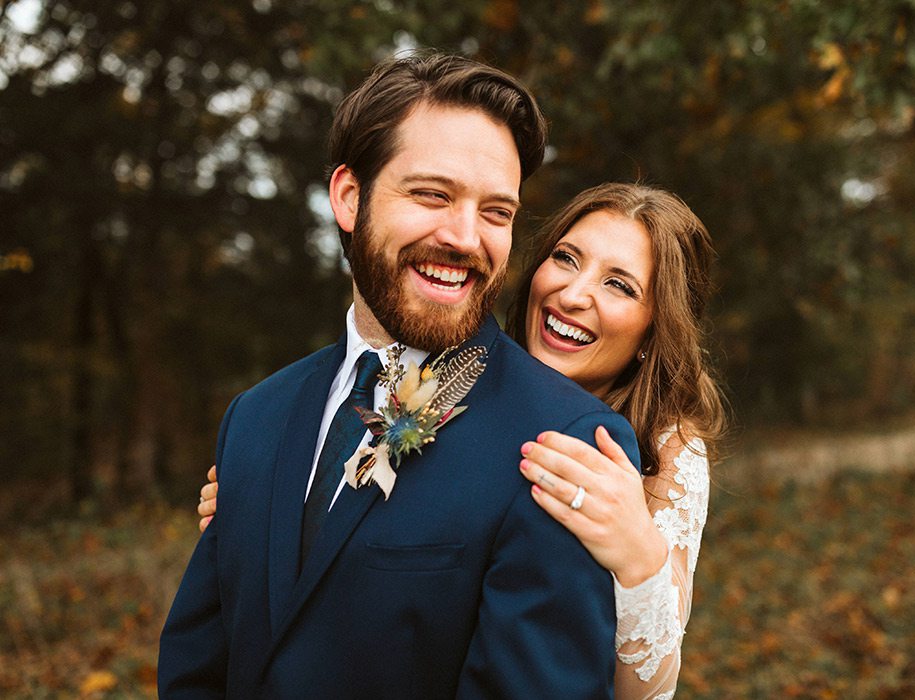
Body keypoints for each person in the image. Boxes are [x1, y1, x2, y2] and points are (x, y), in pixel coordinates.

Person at [159, 53, 642, 699]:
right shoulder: (256, 416)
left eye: (496, 212)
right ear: (350, 198)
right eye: (432, 194)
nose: (466, 237)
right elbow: (197, 663)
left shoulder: (562, 443)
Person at [196, 182, 728, 698]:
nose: (573, 293)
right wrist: (268, 509)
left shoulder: (669, 448)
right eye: (566, 258)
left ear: (655, 328)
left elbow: (645, 690)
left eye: (619, 284)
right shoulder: (450, 374)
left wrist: (639, 562)